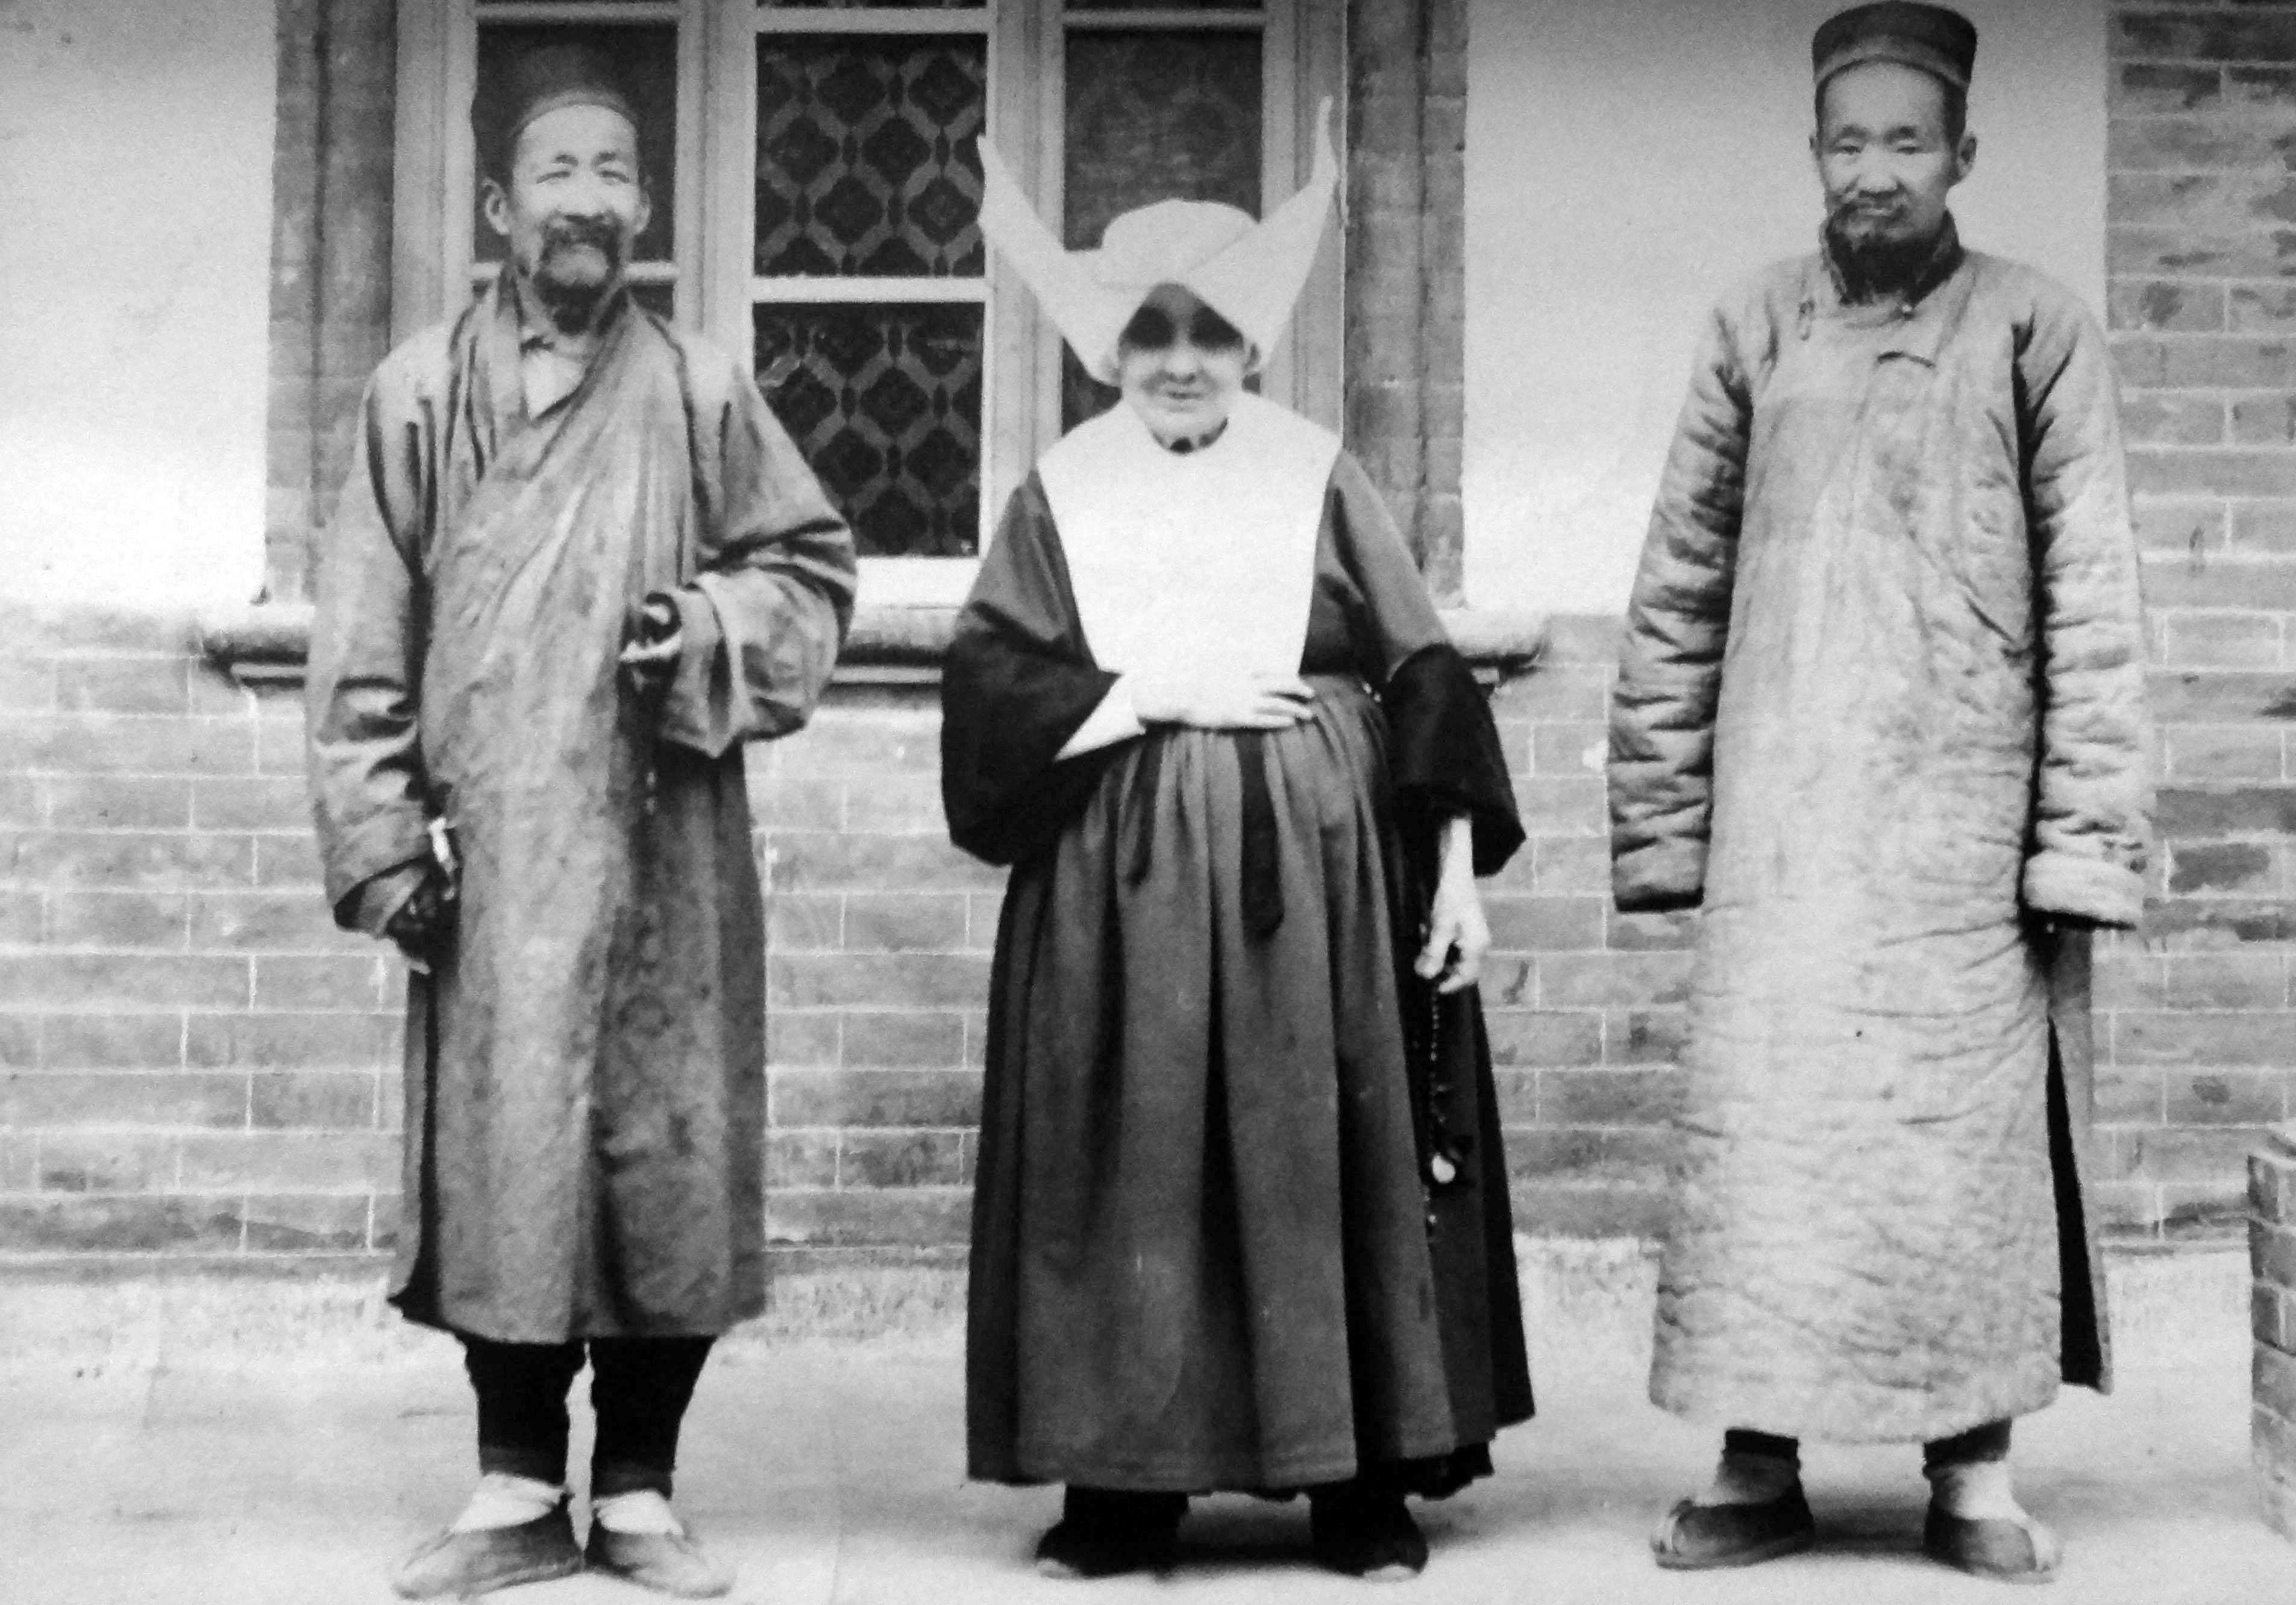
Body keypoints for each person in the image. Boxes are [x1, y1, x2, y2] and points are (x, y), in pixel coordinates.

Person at [940, 107, 1532, 1585]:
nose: (1182, 361)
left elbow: (1424, 673)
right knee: (1129, 1164)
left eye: (1210, 332)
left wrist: (1456, 878)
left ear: (1252, 344)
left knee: (1324, 1153)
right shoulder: (1061, 488)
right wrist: (1149, 694)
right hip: (1119, 885)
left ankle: (1357, 1481)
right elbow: (992, 684)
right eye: (1151, 334)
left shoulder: (1315, 470)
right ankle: (1124, 1487)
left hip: (1320, 886)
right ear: (1109, 349)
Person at [1605, 1, 2151, 1586]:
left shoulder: (2035, 327)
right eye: (1848, 141)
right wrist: (1665, 825)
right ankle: (1752, 1462)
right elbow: (1678, 589)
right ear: (1813, 153)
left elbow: (2096, 601)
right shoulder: (1753, 325)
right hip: (1784, 829)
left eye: (1907, 140)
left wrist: (2079, 844)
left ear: (1962, 152)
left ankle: (1970, 1473)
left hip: (1960, 835)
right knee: (1767, 1149)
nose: (1875, 170)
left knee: (1955, 1159)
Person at [304, 42, 855, 1602]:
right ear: (500, 205)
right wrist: (384, 843)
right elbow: (359, 644)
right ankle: (511, 1484)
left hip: (667, 845)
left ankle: (640, 1487)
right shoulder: (419, 394)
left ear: (645, 208)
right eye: (560, 169)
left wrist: (712, 627)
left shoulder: (702, 389)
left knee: (664, 1157)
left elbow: (810, 572)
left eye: (616, 171)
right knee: (508, 1157)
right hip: (492, 859)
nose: (590, 199)